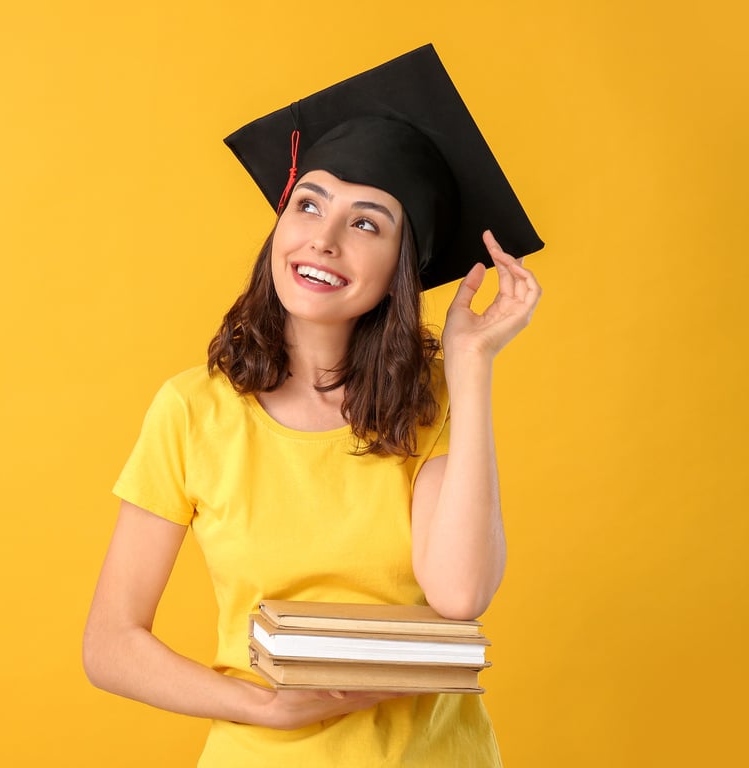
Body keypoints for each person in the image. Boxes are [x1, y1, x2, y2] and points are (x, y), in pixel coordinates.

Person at [83, 45, 544, 767]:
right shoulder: (193, 411)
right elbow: (110, 644)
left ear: (402, 266)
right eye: (309, 204)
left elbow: (459, 594)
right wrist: (261, 705)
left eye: (366, 223)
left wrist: (471, 364)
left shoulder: (434, 400)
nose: (322, 241)